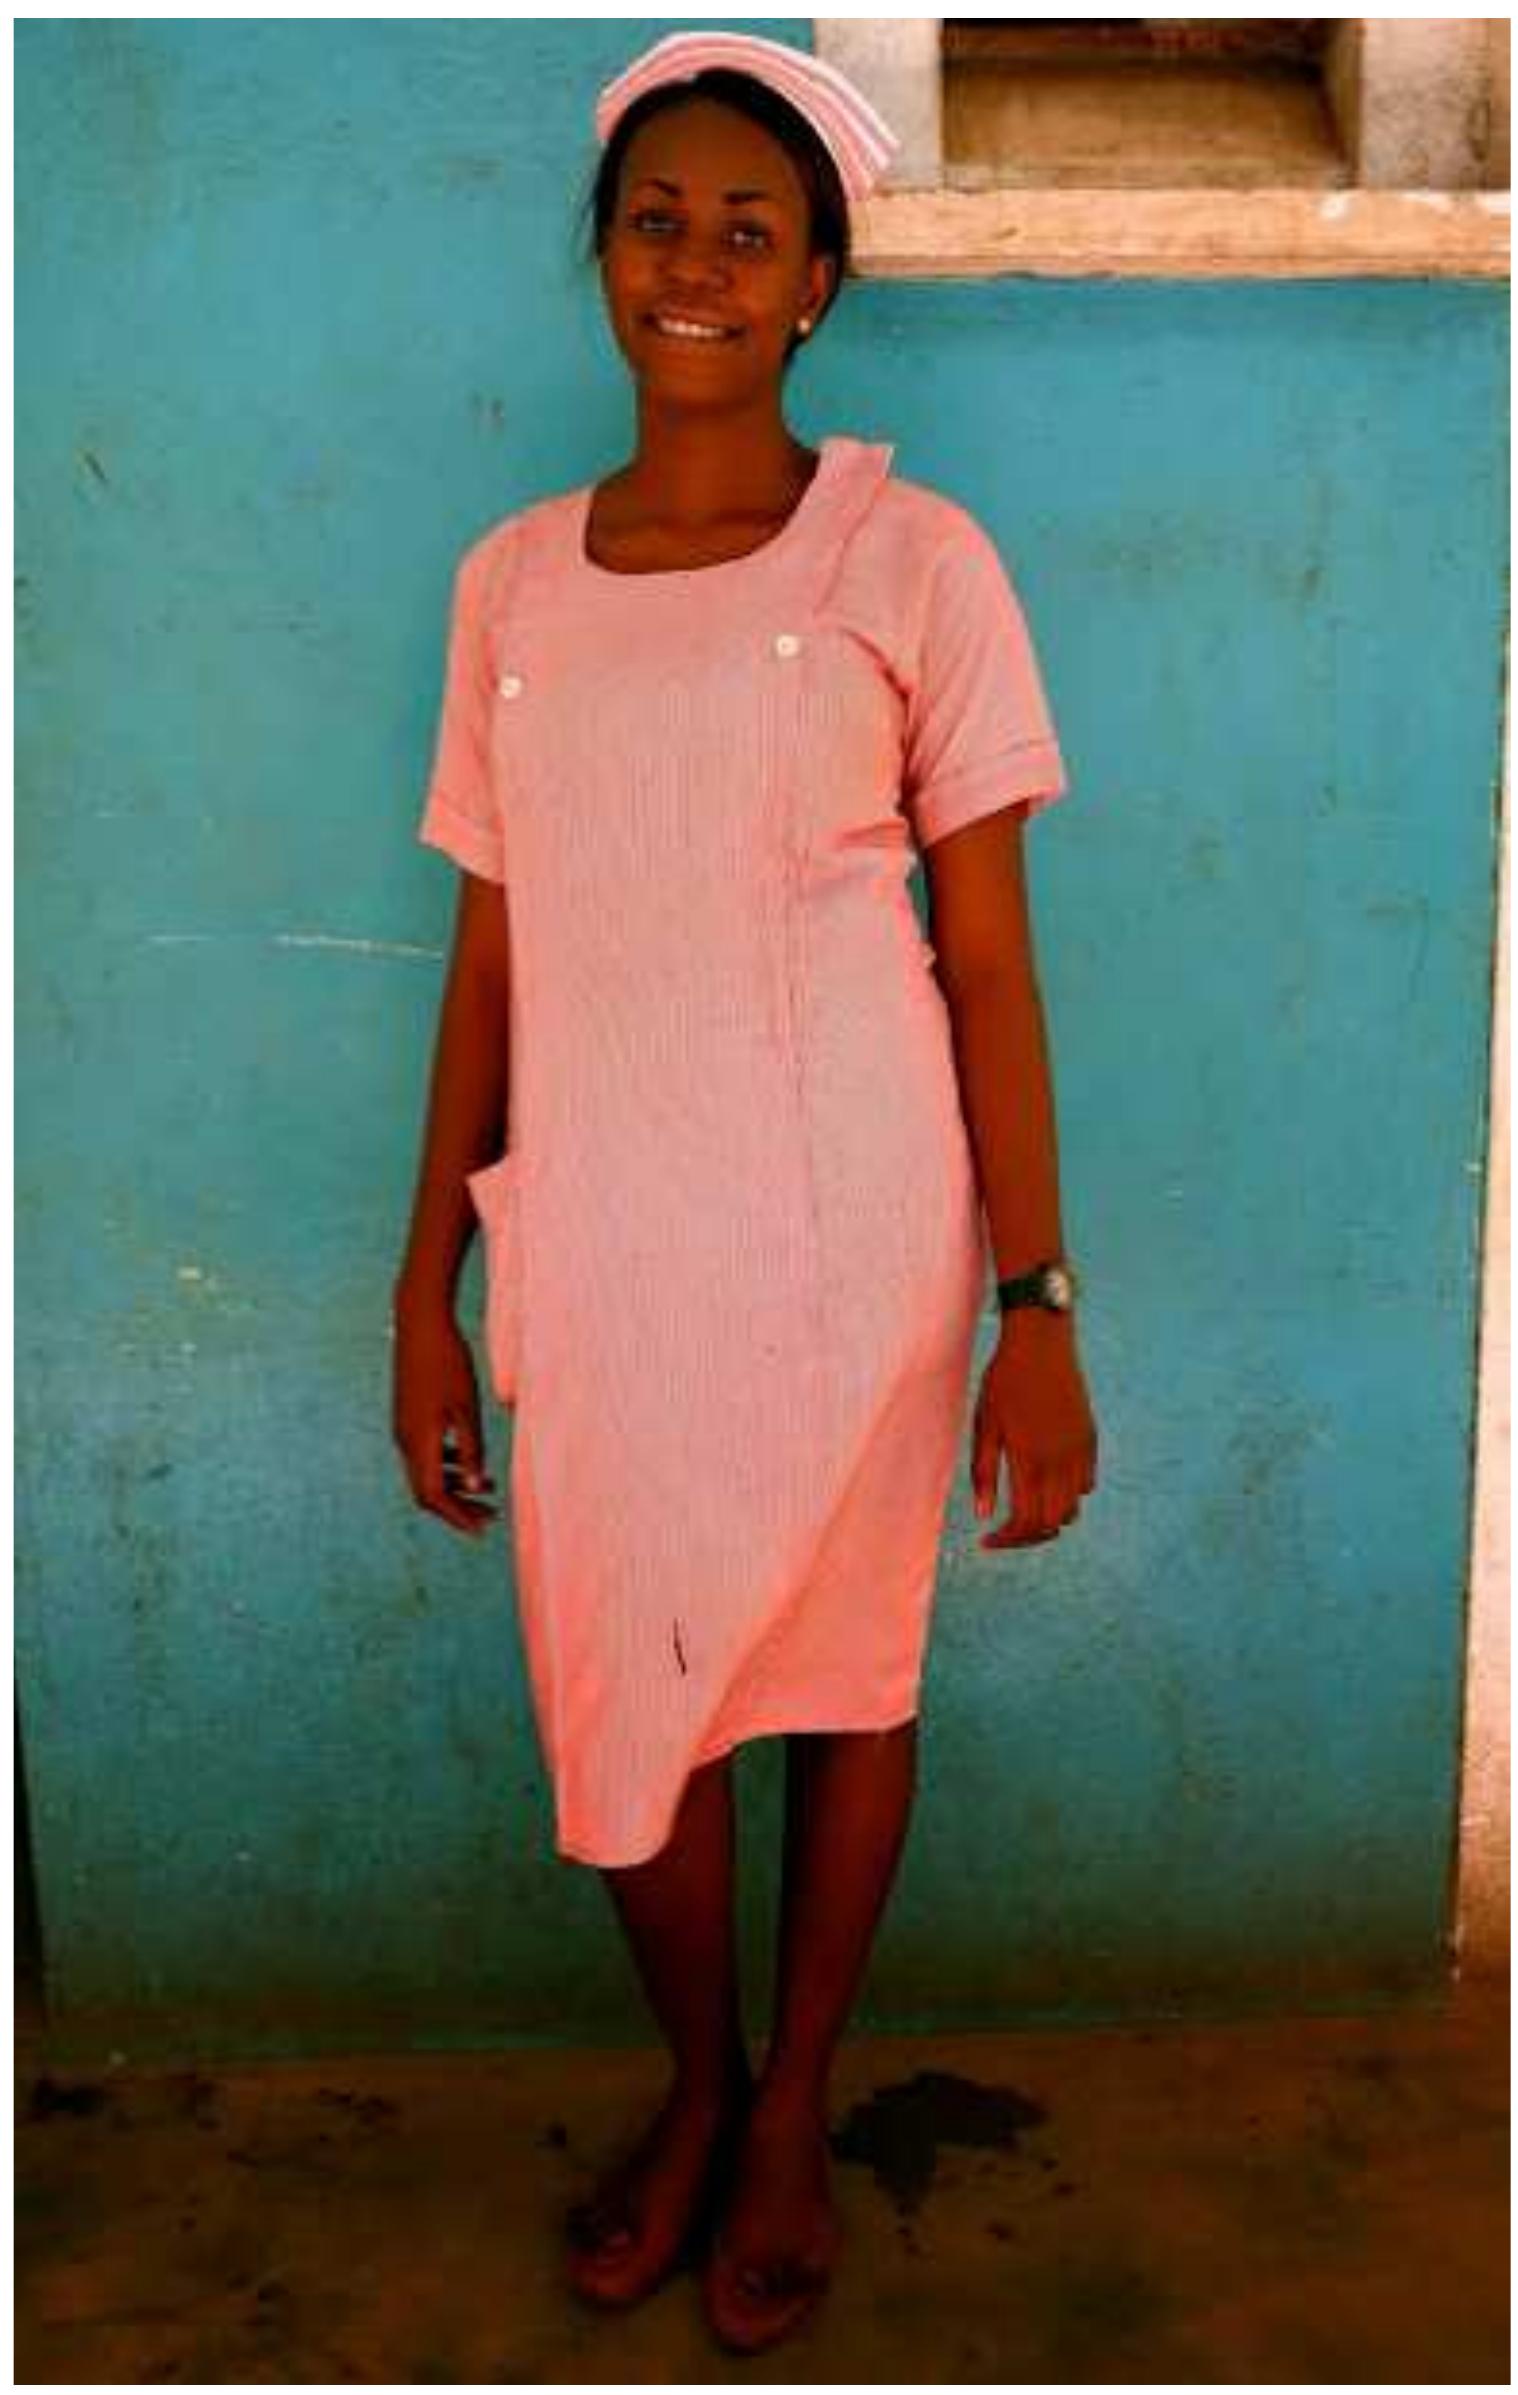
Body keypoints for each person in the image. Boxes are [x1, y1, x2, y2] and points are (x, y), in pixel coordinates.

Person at [391, 27, 1099, 2358]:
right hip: (598, 1238)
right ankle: (696, 2074)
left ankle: (788, 2105)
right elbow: (493, 950)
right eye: (658, 218)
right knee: (630, 1693)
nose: (693, 260)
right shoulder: (512, 587)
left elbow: (986, 960)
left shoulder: (912, 558)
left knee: (841, 1662)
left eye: (748, 228)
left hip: (852, 1232)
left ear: (817, 286)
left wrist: (1037, 1303)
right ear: (604, 254)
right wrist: (423, 1284)